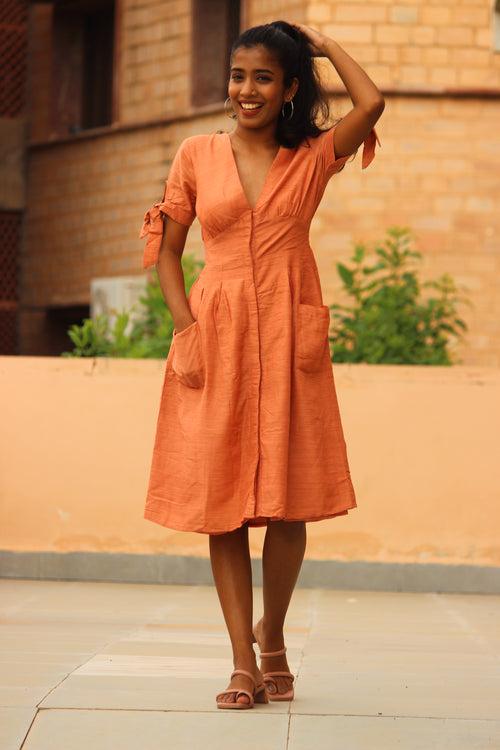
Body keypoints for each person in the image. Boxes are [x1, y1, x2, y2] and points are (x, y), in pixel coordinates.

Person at [139, 20, 384, 710]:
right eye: (238, 76)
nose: (246, 90)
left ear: (289, 89)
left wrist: (328, 45)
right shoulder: (195, 153)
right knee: (221, 499)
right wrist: (186, 327)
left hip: (288, 325)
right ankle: (242, 661)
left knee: (287, 496)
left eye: (263, 78)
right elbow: (166, 249)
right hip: (215, 330)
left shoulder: (311, 156)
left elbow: (370, 106)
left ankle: (271, 634)